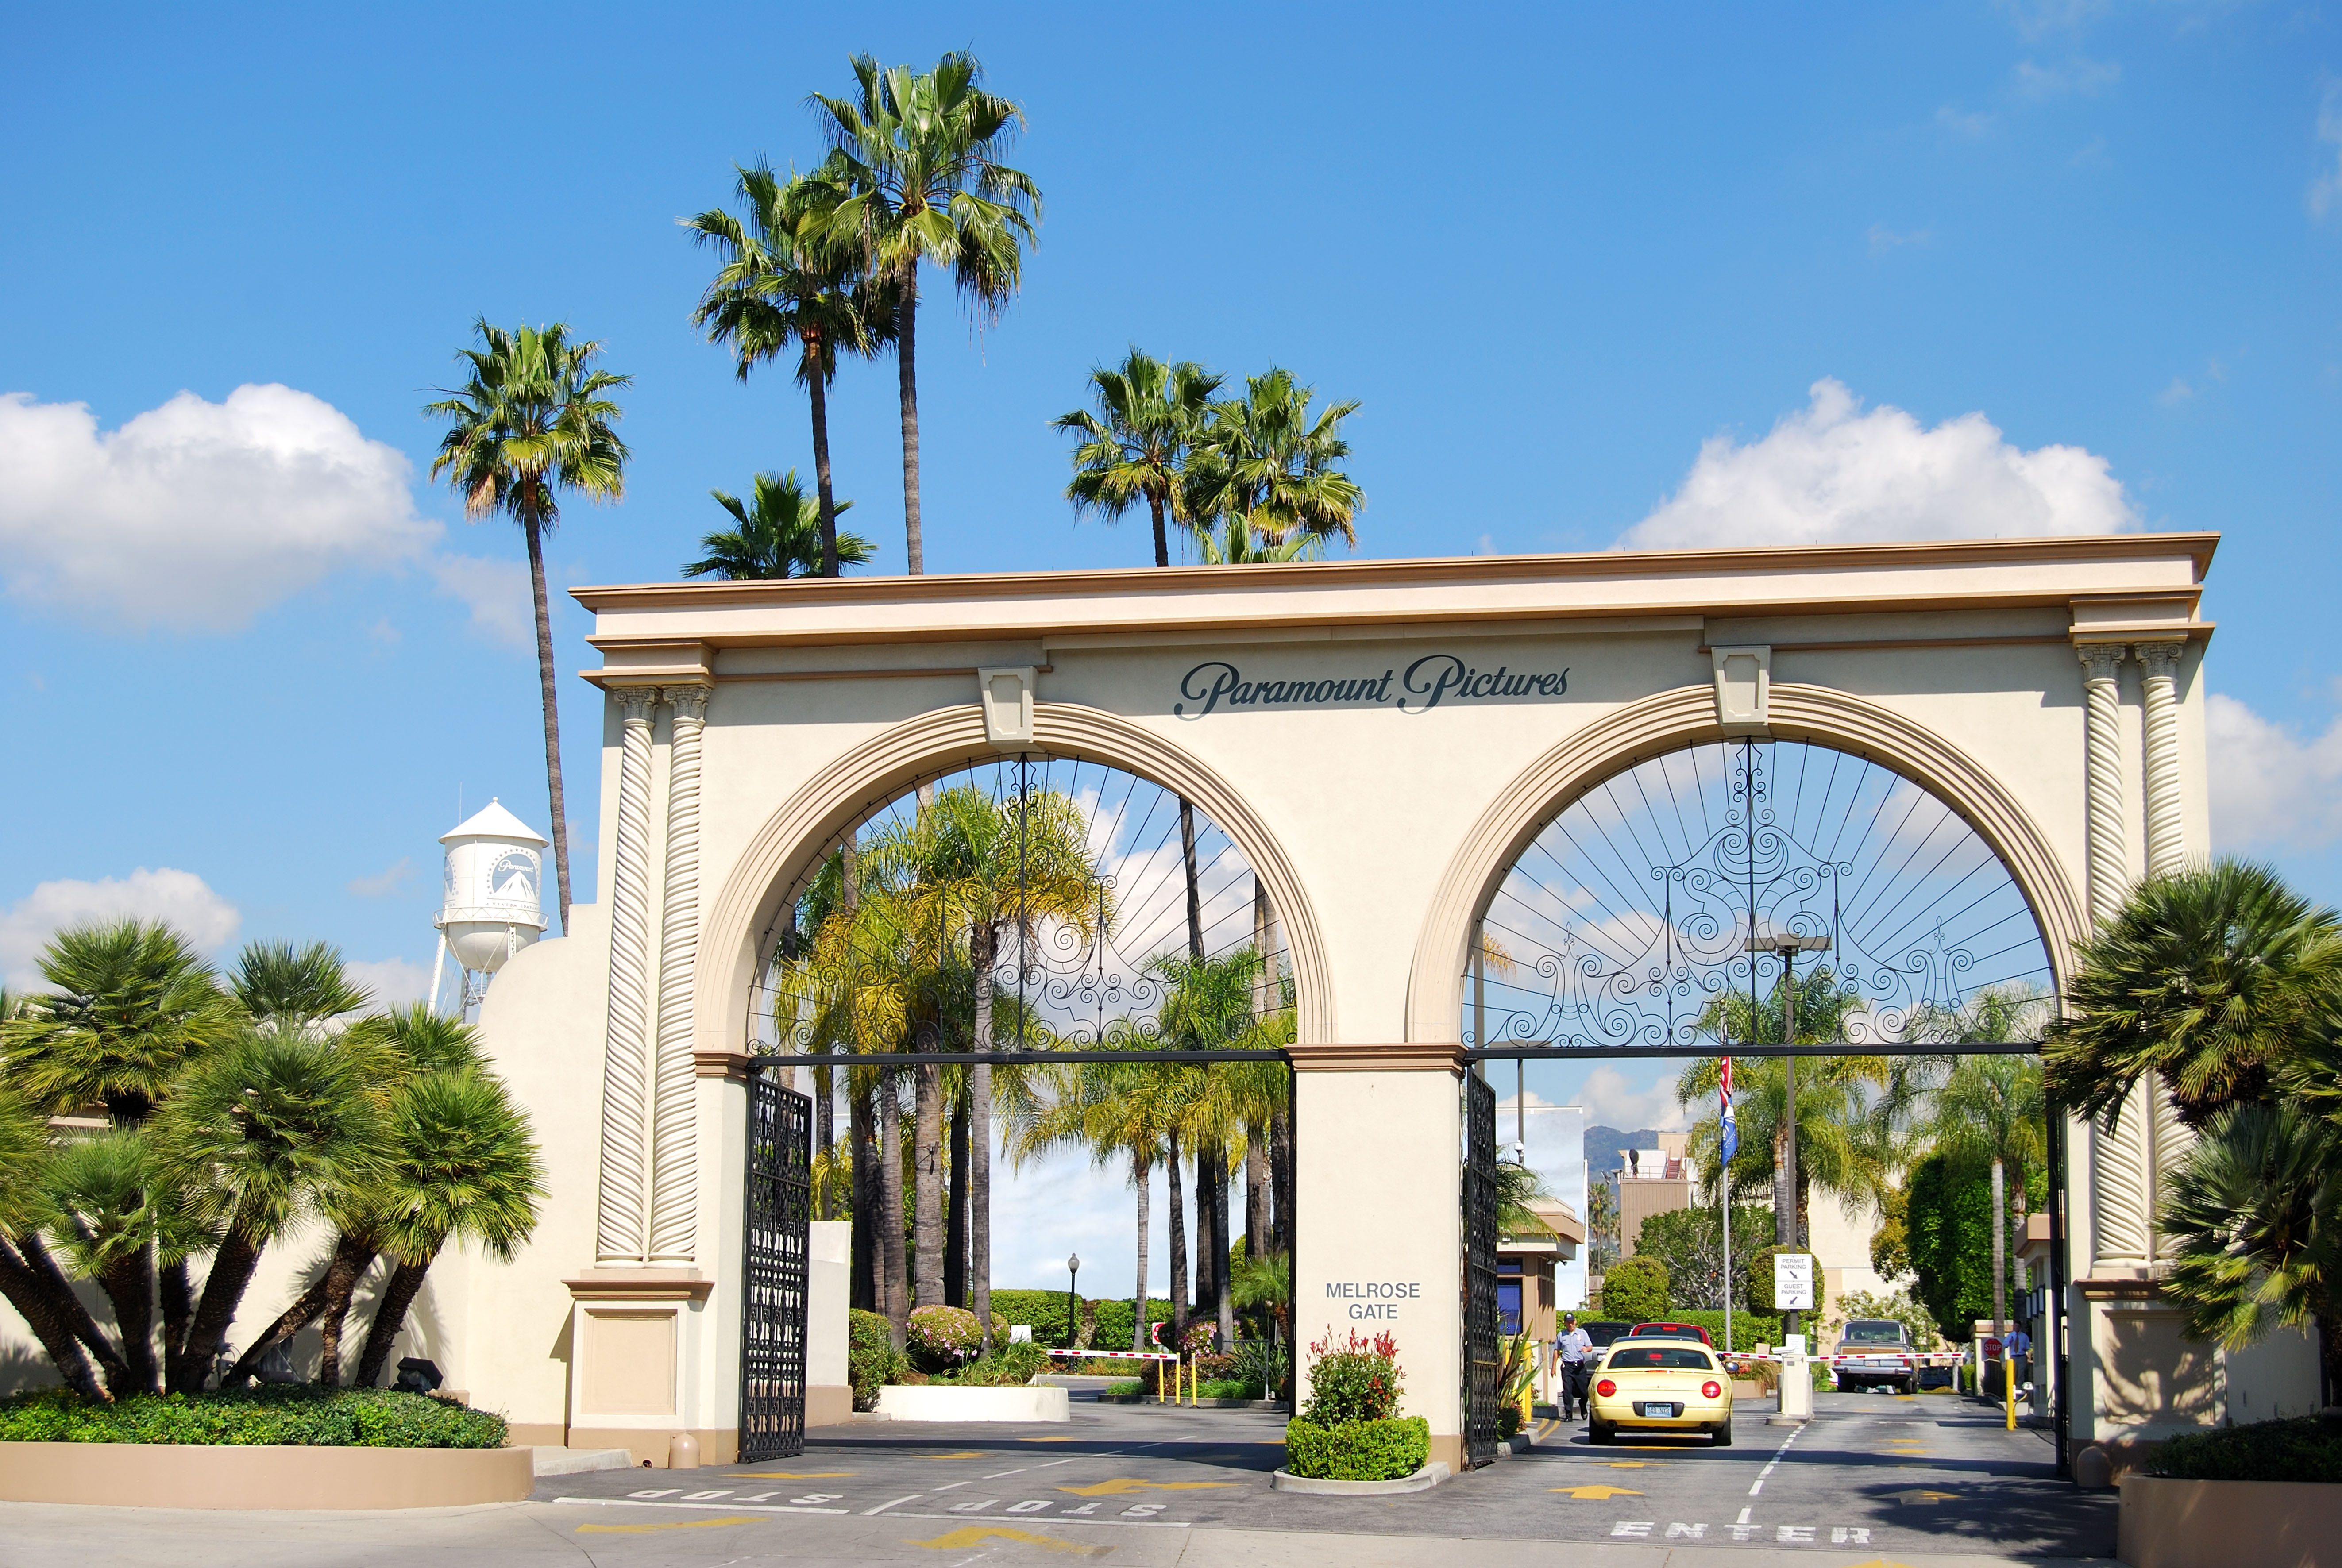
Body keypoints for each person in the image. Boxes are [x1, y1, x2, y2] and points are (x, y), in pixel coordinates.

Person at [1555, 1311, 1595, 1421]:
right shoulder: (1561, 1335)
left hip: (1579, 1366)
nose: (1571, 1325)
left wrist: (1586, 1349)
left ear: (1575, 1322)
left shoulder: (1582, 1333)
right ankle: (1569, 1415)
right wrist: (1553, 1367)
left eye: (1572, 1322)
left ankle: (1583, 1405)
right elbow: (1556, 1351)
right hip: (1567, 1366)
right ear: (1565, 1323)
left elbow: (1590, 1346)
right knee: (1567, 1391)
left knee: (1584, 1392)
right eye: (1569, 1323)